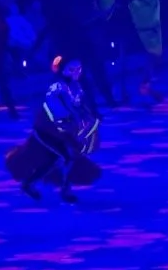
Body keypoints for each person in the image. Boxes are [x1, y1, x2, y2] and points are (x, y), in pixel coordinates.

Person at [6, 55, 100, 202]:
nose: (76, 72)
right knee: (65, 157)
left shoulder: (75, 87)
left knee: (56, 158)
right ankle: (64, 191)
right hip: (47, 130)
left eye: (78, 69)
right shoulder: (56, 88)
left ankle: (30, 184)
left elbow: (79, 107)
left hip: (60, 131)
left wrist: (87, 116)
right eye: (72, 69)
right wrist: (72, 120)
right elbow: (58, 110)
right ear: (63, 70)